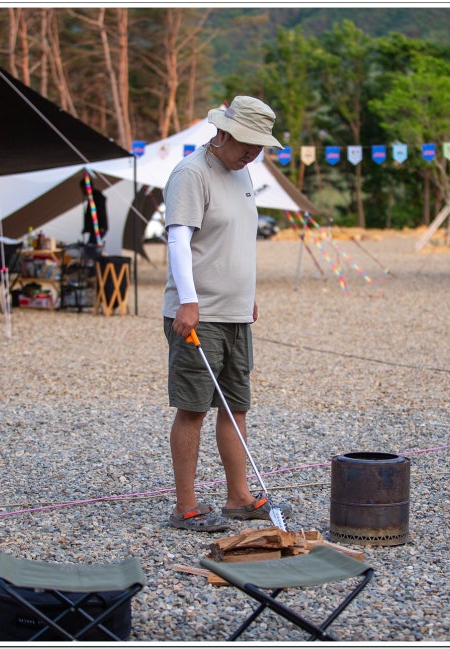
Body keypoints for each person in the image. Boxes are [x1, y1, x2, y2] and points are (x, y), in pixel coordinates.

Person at [162, 96, 293, 532]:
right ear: (222, 133)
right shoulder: (190, 174)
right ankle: (187, 507)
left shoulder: (244, 173)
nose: (254, 153)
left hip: (237, 313)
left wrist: (246, 295)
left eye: (260, 146)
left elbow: (236, 238)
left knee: (235, 406)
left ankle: (239, 497)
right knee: (193, 408)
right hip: (198, 313)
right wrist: (188, 299)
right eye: (247, 144)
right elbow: (179, 239)